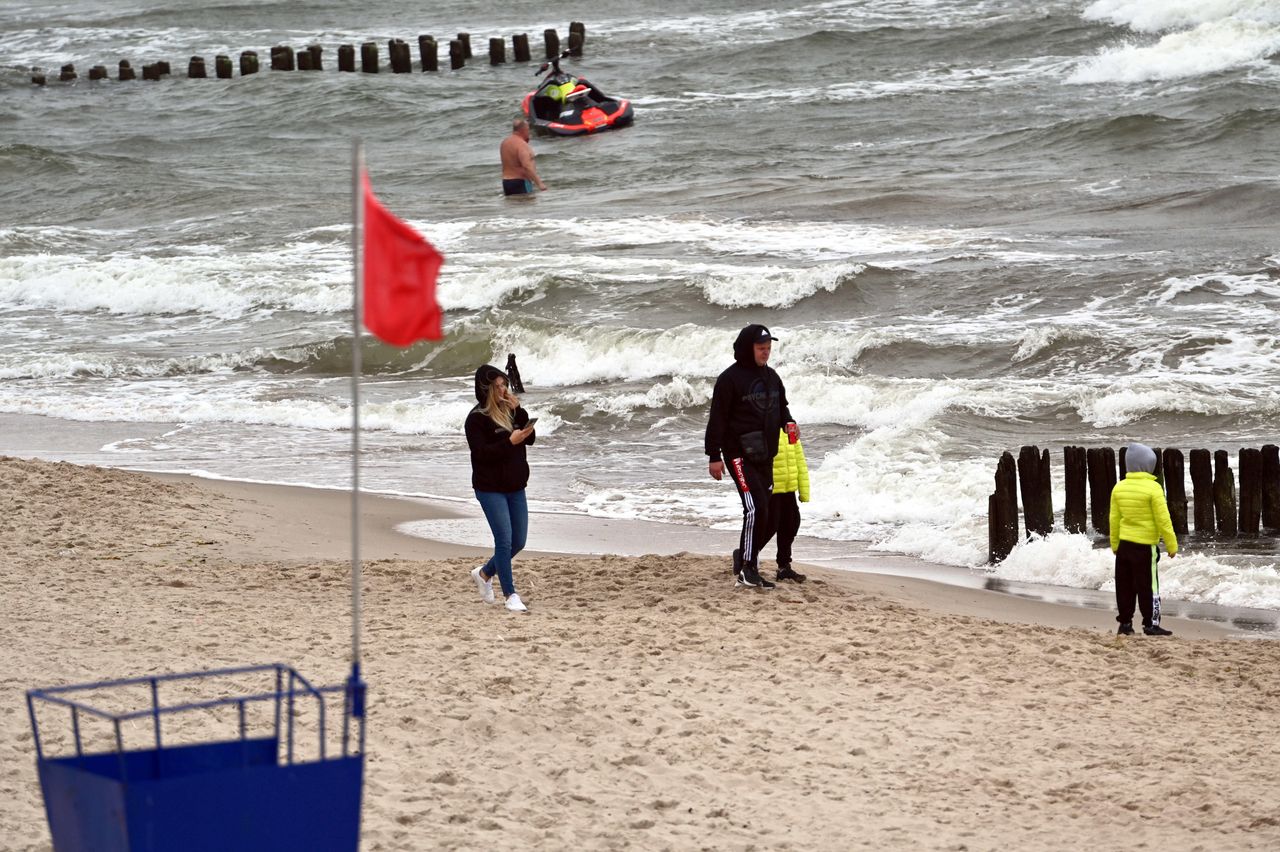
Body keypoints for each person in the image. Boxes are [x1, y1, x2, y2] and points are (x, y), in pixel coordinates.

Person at [704, 324, 798, 589]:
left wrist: (789, 423)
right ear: (748, 349)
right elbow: (717, 420)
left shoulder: (772, 377)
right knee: (756, 507)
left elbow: (782, 409)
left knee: (764, 511)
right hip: (737, 455)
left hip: (766, 456)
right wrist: (714, 455)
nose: (766, 353)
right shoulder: (729, 379)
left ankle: (746, 560)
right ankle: (747, 569)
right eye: (761, 349)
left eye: (768, 349)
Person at [465, 364, 536, 612]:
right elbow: (482, 454)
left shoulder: (509, 411)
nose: (502, 390)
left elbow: (531, 438)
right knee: (504, 540)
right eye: (497, 386)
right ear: (485, 389)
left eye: (504, 385)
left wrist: (519, 410)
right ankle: (510, 595)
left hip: (516, 486)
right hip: (490, 488)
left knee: (519, 541)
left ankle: (484, 573)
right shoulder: (475, 419)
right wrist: (509, 442)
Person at [1109, 442, 1177, 636]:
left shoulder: (1119, 488)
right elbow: (1164, 520)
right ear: (1148, 465)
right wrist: (1171, 545)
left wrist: (1115, 544)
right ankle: (1151, 624)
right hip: (1146, 547)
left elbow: (1114, 520)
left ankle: (1125, 624)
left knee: (1124, 587)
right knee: (1149, 586)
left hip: (1124, 546)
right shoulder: (1153, 488)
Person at [760, 424, 810, 583]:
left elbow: (799, 460)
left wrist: (803, 490)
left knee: (791, 523)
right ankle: (746, 555)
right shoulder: (764, 426)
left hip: (789, 487)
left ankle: (784, 567)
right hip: (771, 487)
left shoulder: (790, 428)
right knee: (770, 525)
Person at [500, 118, 547, 197]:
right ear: (524, 130)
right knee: (528, 207)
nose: (529, 132)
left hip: (506, 182)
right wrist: (540, 184)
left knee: (513, 206)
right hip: (520, 181)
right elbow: (526, 166)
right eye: (528, 129)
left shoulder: (505, 143)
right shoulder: (522, 144)